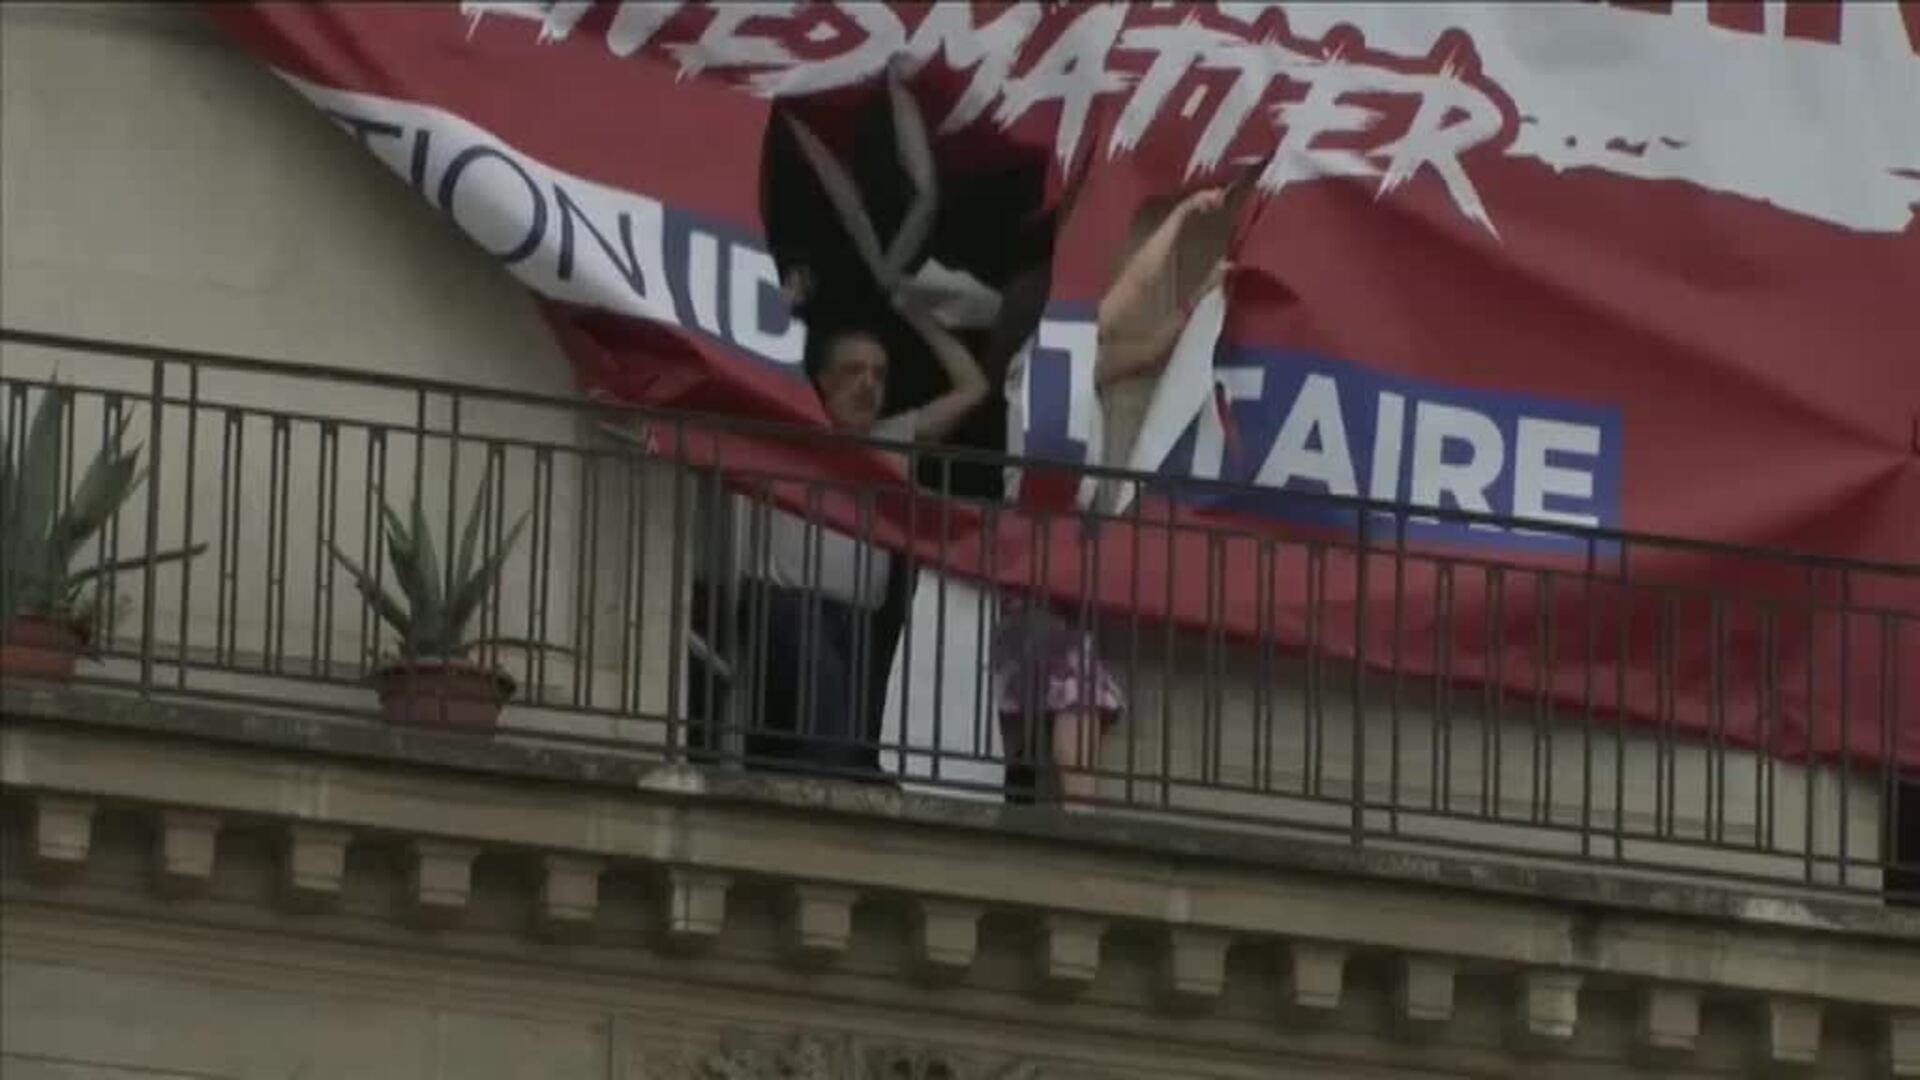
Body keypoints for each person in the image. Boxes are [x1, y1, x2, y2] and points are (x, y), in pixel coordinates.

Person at [993, 186, 1233, 810]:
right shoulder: (1039, 361)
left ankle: (1055, 804)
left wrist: (1201, 299)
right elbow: (1123, 308)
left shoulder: (1067, 370)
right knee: (1067, 685)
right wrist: (1179, 221)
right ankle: (1078, 809)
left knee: (1049, 688)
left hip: (1063, 547)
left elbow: (1148, 348)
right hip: (1041, 542)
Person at [737, 288, 988, 778]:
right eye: (853, 371)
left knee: (847, 737)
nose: (868, 384)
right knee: (831, 733)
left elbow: (973, 388)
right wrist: (781, 305)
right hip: (789, 601)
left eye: (878, 374)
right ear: (824, 382)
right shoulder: (793, 428)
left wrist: (920, 316)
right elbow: (742, 359)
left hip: (858, 617)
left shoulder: (892, 439)